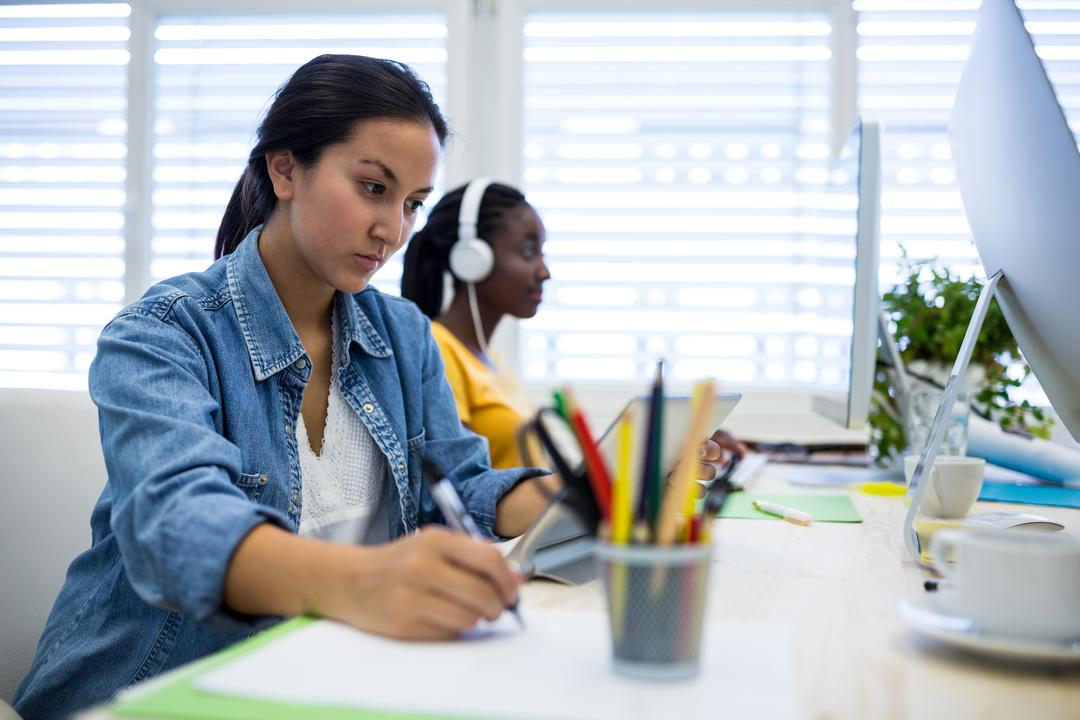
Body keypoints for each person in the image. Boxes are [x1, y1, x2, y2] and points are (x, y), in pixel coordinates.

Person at [13, 55, 552, 720]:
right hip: (147, 693)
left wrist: (575, 498)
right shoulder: (159, 334)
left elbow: (461, 485)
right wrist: (368, 581)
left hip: (321, 684)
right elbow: (179, 528)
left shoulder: (404, 335)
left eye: (412, 203)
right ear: (285, 168)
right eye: (373, 188)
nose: (394, 230)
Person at [401, 180, 748, 473]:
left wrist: (664, 456)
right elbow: (458, 480)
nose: (544, 271)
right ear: (472, 258)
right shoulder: (439, 350)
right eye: (527, 252)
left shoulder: (489, 359)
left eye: (543, 253)